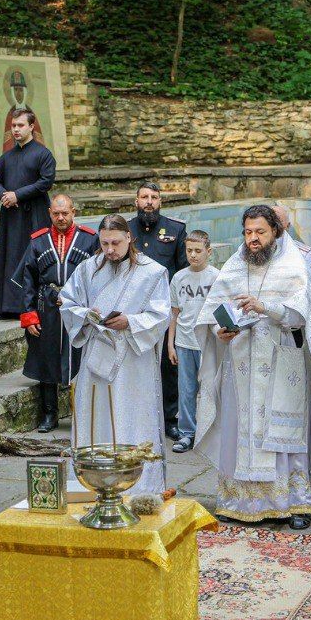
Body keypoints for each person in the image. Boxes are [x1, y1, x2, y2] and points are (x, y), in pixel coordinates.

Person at [194, 205, 311, 529]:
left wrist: (266, 307)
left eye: (260, 232)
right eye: (248, 232)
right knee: (240, 430)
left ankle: (294, 504)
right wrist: (220, 331)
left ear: (275, 231)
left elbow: (301, 316)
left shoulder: (294, 266)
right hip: (242, 362)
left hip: (280, 359)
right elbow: (211, 314)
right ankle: (238, 501)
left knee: (283, 433)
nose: (253, 239)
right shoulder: (234, 266)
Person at [60, 214, 171, 494]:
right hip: (96, 358)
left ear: (129, 238)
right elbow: (67, 302)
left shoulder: (152, 272)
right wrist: (87, 315)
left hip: (134, 363)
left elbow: (161, 314)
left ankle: (140, 488)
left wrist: (131, 322)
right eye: (105, 243)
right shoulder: (88, 269)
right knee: (96, 418)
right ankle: (93, 484)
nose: (110, 250)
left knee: (131, 416)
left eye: (116, 243)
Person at [11, 194, 99, 432]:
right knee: (47, 360)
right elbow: (28, 280)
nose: (61, 218)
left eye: (65, 213)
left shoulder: (90, 239)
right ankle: (50, 414)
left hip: (79, 308)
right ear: (50, 213)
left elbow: (100, 277)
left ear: (74, 212)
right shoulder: (38, 241)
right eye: (56, 214)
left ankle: (82, 414)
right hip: (46, 308)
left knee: (81, 359)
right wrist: (28, 315)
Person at [128, 182, 188, 441]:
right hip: (134, 311)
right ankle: (136, 417)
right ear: (136, 202)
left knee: (168, 365)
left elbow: (183, 270)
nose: (149, 201)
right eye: (144, 197)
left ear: (160, 202)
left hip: (164, 311)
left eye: (154, 197)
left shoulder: (176, 229)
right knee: (135, 364)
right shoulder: (125, 229)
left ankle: (169, 418)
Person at [0, 106, 57, 318]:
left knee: (33, 256)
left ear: (31, 126)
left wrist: (17, 195)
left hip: (34, 214)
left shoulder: (43, 154)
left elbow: (45, 182)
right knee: (10, 257)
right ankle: (10, 306)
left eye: (21, 125)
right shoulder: (6, 157)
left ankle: (33, 304)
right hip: (11, 216)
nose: (16, 130)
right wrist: (4, 195)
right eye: (13, 126)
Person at [167, 231, 218, 453]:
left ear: (209, 251)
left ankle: (211, 431)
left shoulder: (216, 277)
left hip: (208, 341)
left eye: (198, 251)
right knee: (186, 390)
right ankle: (187, 432)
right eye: (189, 251)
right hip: (185, 341)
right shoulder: (179, 278)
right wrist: (171, 344)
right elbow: (174, 313)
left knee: (211, 389)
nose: (194, 255)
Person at [272, 203, 311, 285]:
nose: (274, 225)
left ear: (288, 226)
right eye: (270, 221)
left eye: (279, 221)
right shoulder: (254, 250)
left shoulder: (304, 253)